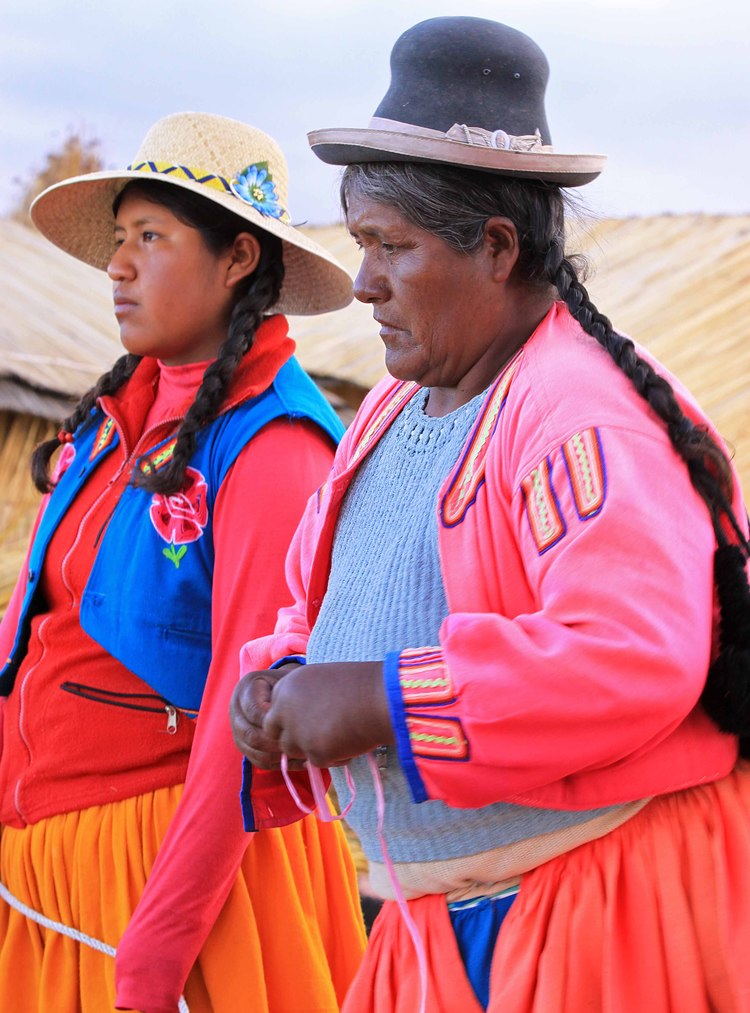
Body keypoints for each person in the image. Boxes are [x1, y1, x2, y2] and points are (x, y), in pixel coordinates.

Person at [230, 17, 750, 1013]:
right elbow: (325, 595)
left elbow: (630, 653)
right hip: (443, 920)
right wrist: (283, 678)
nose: (365, 282)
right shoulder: (389, 407)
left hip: (597, 906)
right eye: (360, 245)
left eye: (392, 247)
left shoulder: (579, 417)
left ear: (498, 248)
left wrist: (386, 698)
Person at [0, 111, 367, 1013]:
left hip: (169, 879)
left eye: (151, 237)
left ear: (238, 258)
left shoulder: (272, 449)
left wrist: (159, 943)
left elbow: (242, 727)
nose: (118, 264)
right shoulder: (111, 421)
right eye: (118, 238)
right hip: (50, 870)